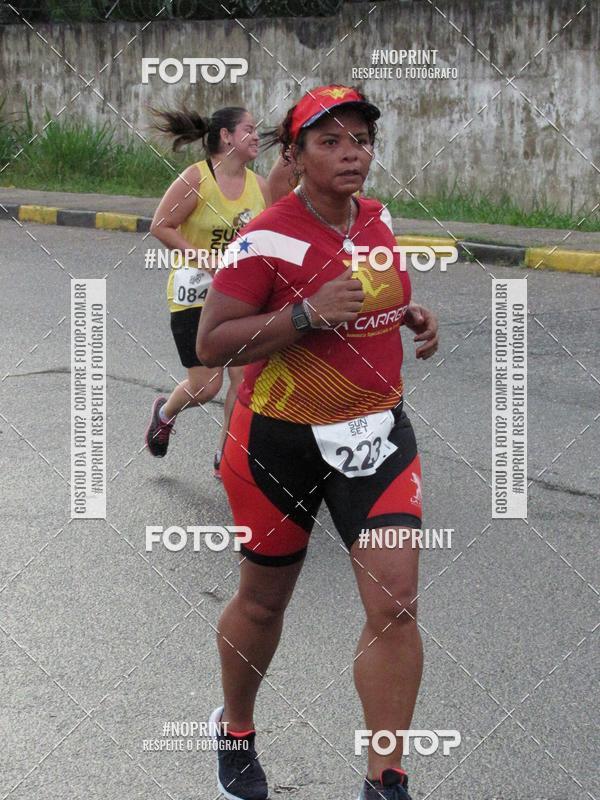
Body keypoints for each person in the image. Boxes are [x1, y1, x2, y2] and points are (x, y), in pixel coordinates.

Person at [197, 85, 439, 800]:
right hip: (280, 440)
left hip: (376, 432)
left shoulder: (378, 217)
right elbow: (213, 343)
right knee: (264, 603)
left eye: (360, 140)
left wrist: (412, 315)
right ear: (295, 154)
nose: (351, 154)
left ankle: (385, 779)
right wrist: (301, 315)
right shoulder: (264, 236)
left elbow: (381, 289)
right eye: (330, 141)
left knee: (395, 603)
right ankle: (236, 725)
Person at [145, 105, 271, 478]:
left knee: (243, 378)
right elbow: (161, 225)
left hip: (239, 298)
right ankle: (164, 413)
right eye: (249, 129)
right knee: (207, 386)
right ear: (227, 136)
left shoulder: (260, 186)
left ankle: (226, 459)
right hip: (193, 294)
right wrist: (207, 260)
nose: (256, 136)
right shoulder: (196, 178)